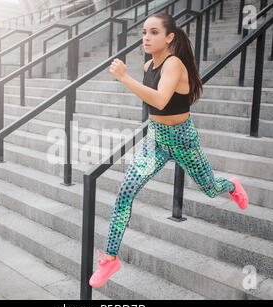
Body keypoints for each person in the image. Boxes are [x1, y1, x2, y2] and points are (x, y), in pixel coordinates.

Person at [89, 12, 249, 288]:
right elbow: (152, 105)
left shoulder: (174, 64)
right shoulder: (150, 64)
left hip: (183, 139)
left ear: (169, 37)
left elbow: (162, 101)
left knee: (211, 188)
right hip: (157, 139)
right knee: (125, 192)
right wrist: (132, 81)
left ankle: (232, 186)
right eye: (144, 33)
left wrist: (125, 78)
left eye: (154, 32)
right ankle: (111, 258)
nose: (147, 38)